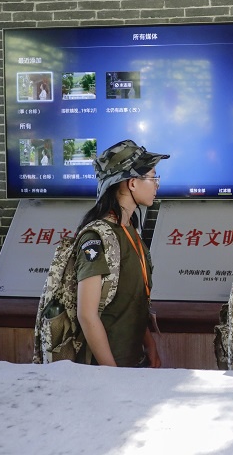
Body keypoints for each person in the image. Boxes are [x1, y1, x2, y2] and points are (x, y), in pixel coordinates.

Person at [75, 139, 169, 367]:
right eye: (153, 177)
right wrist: (112, 373)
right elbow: (86, 315)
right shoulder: (97, 237)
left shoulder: (130, 231)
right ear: (132, 183)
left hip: (131, 364)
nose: (157, 184)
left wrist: (149, 343)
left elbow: (131, 300)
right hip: (104, 370)